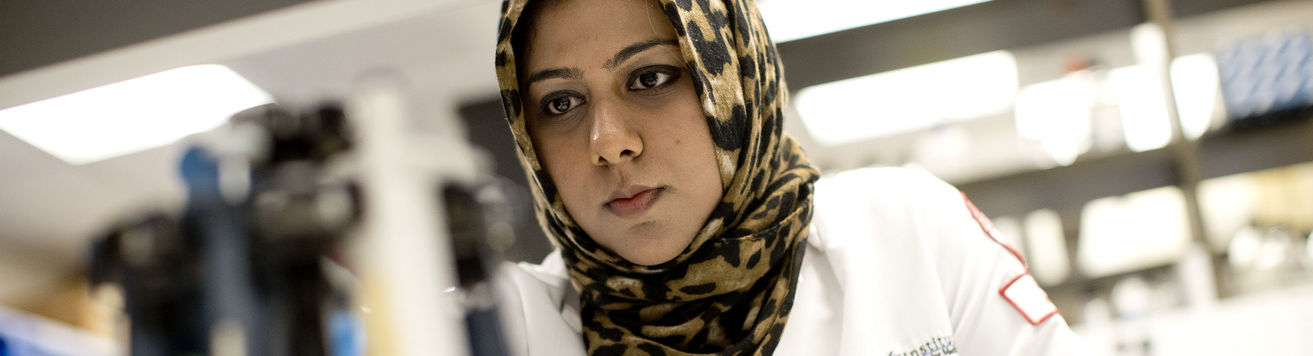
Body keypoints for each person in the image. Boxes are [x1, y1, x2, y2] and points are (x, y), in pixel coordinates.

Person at [489, 0, 1093, 355]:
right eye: (561, 104)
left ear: (736, 84)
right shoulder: (510, 328)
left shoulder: (907, 232)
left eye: (650, 78)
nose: (608, 143)